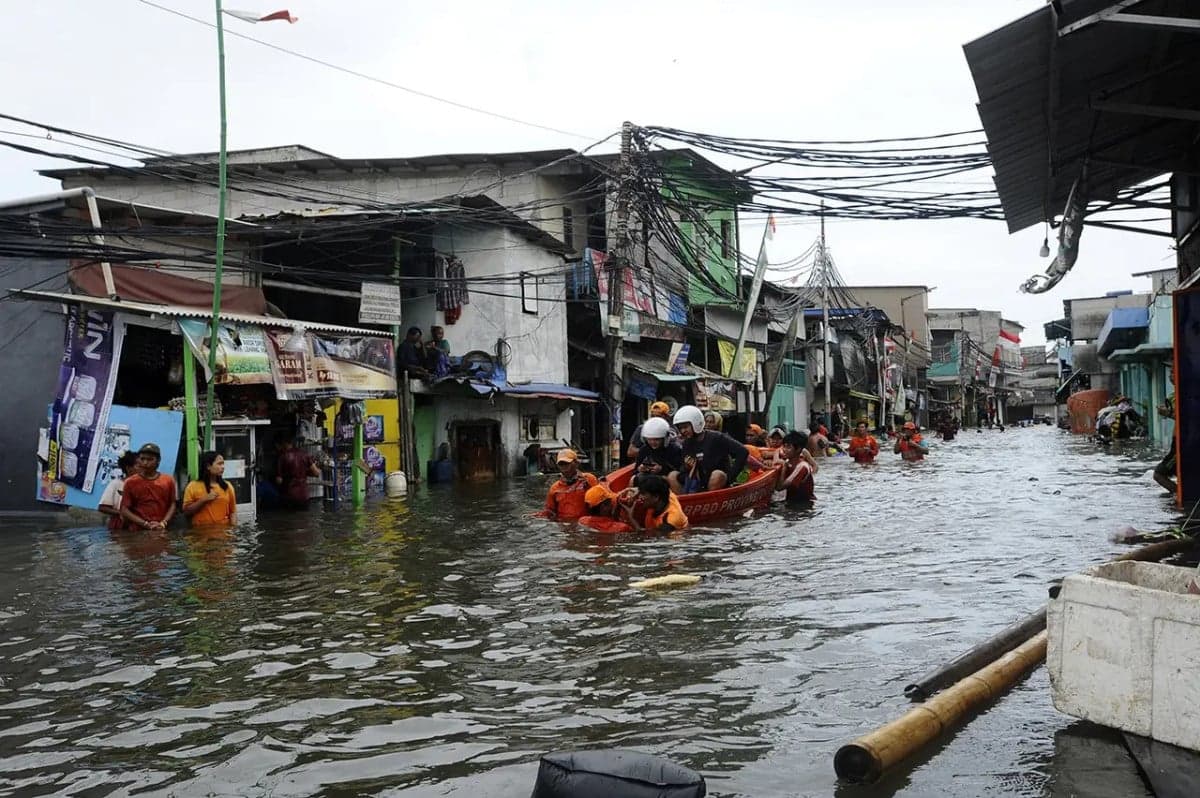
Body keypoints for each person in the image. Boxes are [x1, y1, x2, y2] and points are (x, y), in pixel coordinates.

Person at [669, 405, 749, 494]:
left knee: (717, 474)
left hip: (717, 481)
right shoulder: (686, 444)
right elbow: (684, 470)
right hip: (697, 482)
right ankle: (683, 503)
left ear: (696, 423)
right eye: (680, 428)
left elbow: (743, 452)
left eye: (685, 427)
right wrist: (687, 467)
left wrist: (730, 478)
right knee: (672, 476)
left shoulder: (716, 437)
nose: (683, 431)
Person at [120, 443, 178, 531]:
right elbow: (124, 509)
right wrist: (145, 524)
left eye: (150, 459)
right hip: (137, 531)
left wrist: (163, 523)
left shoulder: (168, 481)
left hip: (161, 530)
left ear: (158, 461)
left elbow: (173, 504)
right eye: (142, 459)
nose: (145, 463)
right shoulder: (130, 482)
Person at [182, 450, 238, 527]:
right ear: (208, 466)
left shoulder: (227, 486)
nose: (223, 467)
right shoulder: (192, 486)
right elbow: (186, 512)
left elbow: (233, 512)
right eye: (219, 464)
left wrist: (233, 530)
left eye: (223, 464)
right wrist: (203, 500)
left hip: (223, 534)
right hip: (200, 535)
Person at [543, 449, 599, 520]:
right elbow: (550, 512)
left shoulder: (589, 479)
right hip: (564, 526)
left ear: (576, 463)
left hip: (585, 524)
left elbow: (601, 502)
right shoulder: (554, 488)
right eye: (561, 464)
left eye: (567, 463)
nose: (564, 467)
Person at [633, 417, 683, 484]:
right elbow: (635, 470)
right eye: (650, 439)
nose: (653, 442)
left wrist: (661, 469)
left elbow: (679, 470)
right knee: (633, 478)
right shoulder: (644, 449)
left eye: (657, 439)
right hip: (647, 478)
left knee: (671, 477)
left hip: (665, 479)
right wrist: (640, 469)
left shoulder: (674, 449)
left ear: (664, 438)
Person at [98, 451, 139, 530]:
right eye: (138, 465)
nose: (142, 467)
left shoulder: (143, 485)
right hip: (120, 525)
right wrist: (123, 513)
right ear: (129, 468)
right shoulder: (116, 484)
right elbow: (102, 507)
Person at [277, 437, 321, 509]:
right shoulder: (304, 454)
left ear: (284, 444)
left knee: (289, 519)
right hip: (303, 494)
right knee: (303, 518)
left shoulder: (282, 457)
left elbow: (279, 480)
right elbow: (316, 473)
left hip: (289, 494)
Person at [775, 431, 818, 504]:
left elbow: (780, 487)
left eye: (788, 447)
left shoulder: (802, 467)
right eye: (784, 446)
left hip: (803, 506)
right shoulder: (789, 462)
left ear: (798, 449)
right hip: (793, 502)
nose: (784, 450)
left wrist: (784, 468)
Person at [1153, 394, 1177, 494]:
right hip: (1178, 442)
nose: (1170, 377)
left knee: (1159, 474)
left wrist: (1168, 414)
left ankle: (1179, 495)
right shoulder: (1174, 395)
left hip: (1181, 444)